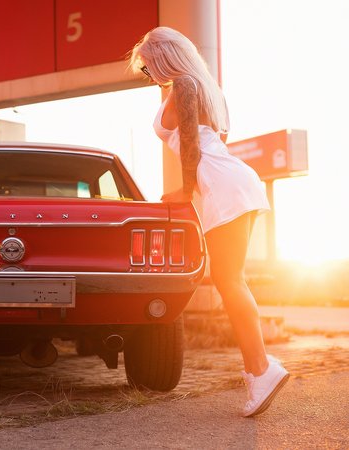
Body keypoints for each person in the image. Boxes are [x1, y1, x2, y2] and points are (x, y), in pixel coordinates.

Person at [128, 26, 289, 417]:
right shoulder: (199, 86)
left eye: (150, 66)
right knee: (233, 279)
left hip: (222, 184)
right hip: (232, 181)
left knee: (229, 280)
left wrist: (185, 191)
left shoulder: (184, 85)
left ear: (165, 58)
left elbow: (191, 141)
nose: (149, 74)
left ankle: (261, 370)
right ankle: (260, 370)